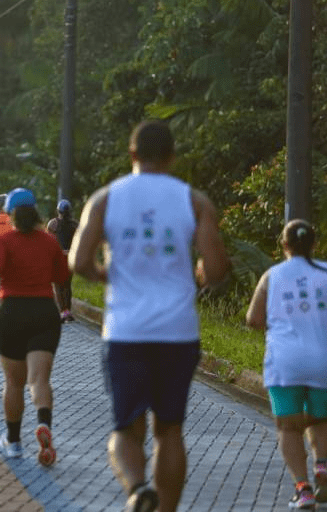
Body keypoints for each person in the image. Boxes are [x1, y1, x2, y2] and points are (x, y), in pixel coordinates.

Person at [69, 120, 230, 512]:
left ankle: (139, 488)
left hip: (126, 330)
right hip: (178, 332)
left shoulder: (106, 198)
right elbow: (218, 269)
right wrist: (201, 276)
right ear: (173, 157)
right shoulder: (195, 201)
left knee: (126, 429)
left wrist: (103, 274)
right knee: (169, 430)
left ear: (132, 154)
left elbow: (78, 261)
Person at [246, 219, 327, 509]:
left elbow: (253, 319)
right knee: (321, 419)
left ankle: (303, 488)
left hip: (285, 363)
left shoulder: (271, 276)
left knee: (289, 427)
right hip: (324, 360)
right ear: (314, 244)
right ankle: (321, 464)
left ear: (284, 245)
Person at [0, 188, 69, 467]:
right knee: (40, 381)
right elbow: (63, 275)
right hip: (44, 312)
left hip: (13, 312)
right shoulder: (49, 242)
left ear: (10, 212)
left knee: (14, 383)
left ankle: (14, 442)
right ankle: (44, 424)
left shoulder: (4, 242)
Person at [46, 199, 79, 322]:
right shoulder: (75, 224)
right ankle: (68, 311)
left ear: (58, 210)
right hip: (70, 256)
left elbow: (49, 241)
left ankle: (62, 312)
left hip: (58, 257)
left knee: (58, 285)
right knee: (67, 284)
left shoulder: (52, 224)